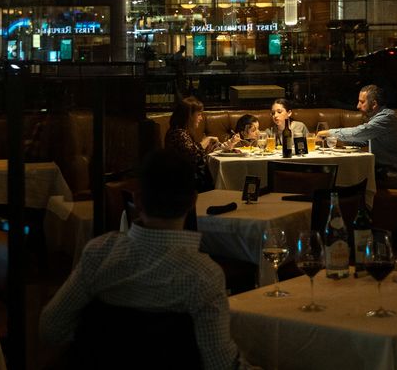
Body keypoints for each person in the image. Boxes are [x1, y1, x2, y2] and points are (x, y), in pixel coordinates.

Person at [39, 149, 250, 370]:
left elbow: (50, 329)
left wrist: (102, 338)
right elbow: (220, 364)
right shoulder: (203, 274)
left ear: (137, 200)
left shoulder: (99, 253)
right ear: (192, 202)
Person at [317, 84, 397, 189]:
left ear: (374, 104)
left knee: (349, 179)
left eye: (362, 102)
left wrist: (328, 133)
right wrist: (341, 142)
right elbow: (364, 141)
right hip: (384, 171)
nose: (357, 106)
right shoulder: (376, 118)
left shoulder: (386, 118)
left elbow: (358, 133)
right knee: (346, 175)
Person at [165, 96, 238, 192]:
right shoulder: (178, 133)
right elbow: (193, 153)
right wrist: (207, 139)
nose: (201, 118)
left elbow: (195, 154)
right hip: (183, 180)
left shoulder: (182, 132)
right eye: (199, 115)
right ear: (189, 116)